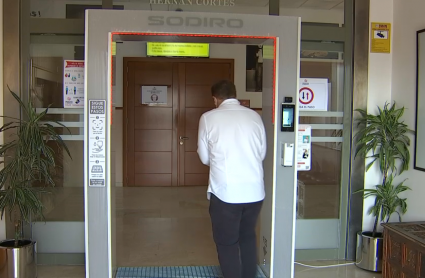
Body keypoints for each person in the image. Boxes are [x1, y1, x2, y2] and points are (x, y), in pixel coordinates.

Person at [197, 80, 267, 278]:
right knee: (247, 237)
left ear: (215, 98)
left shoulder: (208, 118)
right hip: (255, 191)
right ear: (235, 95)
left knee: (227, 243)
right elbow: (261, 153)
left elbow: (204, 158)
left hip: (225, 193)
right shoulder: (254, 116)